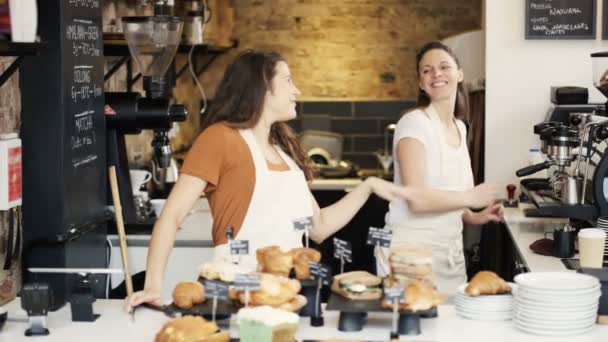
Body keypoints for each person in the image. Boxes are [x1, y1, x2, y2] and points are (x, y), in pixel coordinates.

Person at [126, 50, 414, 311]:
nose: (296, 90)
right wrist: (153, 285)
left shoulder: (284, 151)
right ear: (262, 88)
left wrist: (368, 187)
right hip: (238, 293)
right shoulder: (219, 139)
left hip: (288, 293)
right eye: (288, 81)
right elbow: (172, 215)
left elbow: (320, 227)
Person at [376, 41, 504, 293]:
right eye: (427, 70)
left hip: (450, 256)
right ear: (421, 83)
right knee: (413, 329)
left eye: (444, 66)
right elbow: (417, 199)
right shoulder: (414, 123)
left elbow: (448, 194)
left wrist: (473, 216)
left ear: (459, 73)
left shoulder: (460, 127)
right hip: (409, 257)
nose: (436, 74)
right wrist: (470, 197)